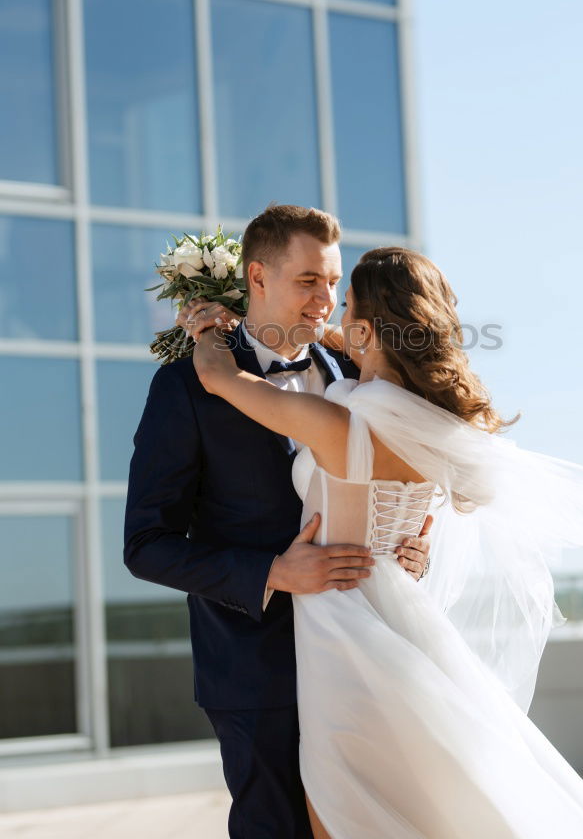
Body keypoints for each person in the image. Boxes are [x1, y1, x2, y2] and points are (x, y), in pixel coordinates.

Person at [191, 244, 583, 838]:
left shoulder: (342, 423)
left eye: (346, 308)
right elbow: (354, 348)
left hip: (342, 631)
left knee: (341, 810)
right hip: (401, 616)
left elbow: (216, 376)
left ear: (367, 327)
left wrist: (205, 324)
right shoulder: (430, 426)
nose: (334, 319)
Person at [123, 205, 431, 839]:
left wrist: (414, 549)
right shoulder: (185, 387)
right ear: (257, 277)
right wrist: (272, 572)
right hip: (256, 669)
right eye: (308, 281)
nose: (326, 300)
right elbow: (145, 545)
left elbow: (400, 487)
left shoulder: (359, 375)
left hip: (366, 653)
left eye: (332, 283)